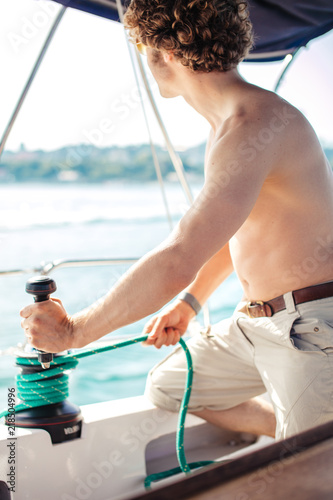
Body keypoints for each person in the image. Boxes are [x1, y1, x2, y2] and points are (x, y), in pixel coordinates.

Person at [20, 0, 333, 441]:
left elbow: (177, 257)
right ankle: (284, 433)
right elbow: (230, 234)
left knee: (307, 475)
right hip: (254, 323)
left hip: (309, 327)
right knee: (169, 386)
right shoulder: (229, 125)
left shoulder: (254, 124)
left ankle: (298, 447)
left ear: (161, 52)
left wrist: (74, 333)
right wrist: (190, 303)